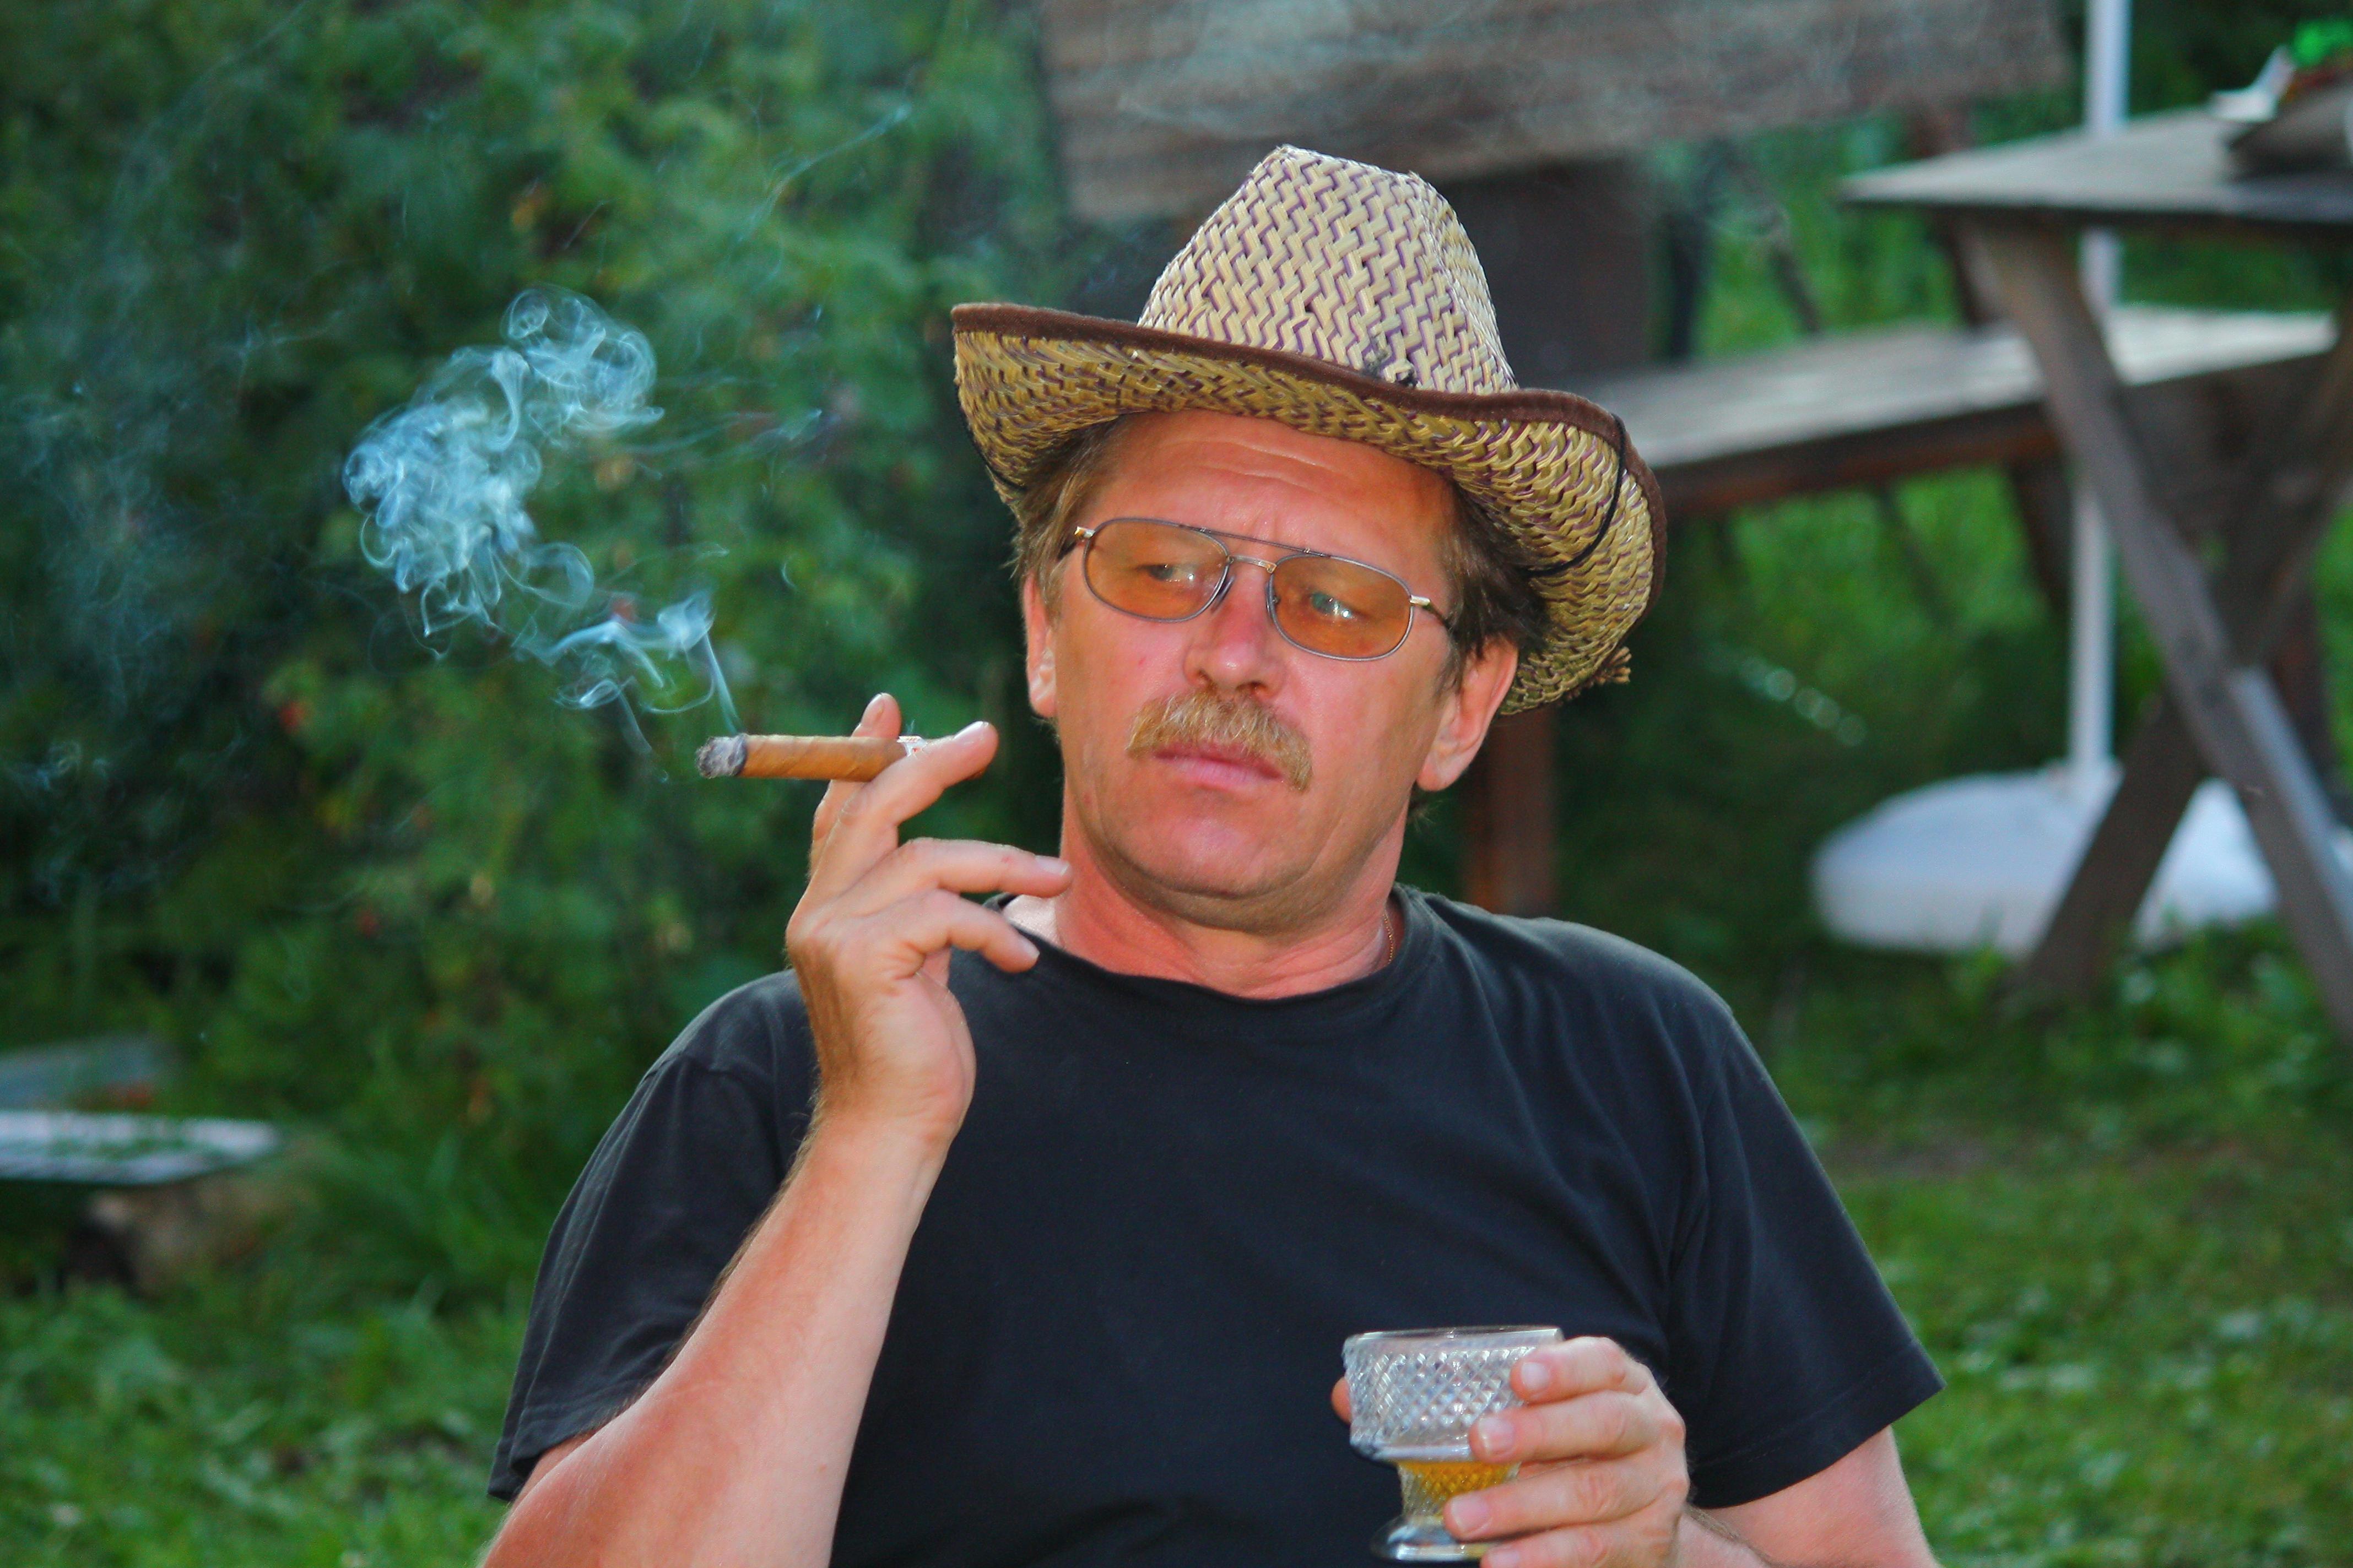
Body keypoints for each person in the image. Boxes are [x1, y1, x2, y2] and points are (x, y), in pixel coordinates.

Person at [482, 147, 1943, 1568]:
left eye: (1338, 603)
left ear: (1463, 704)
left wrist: (1664, 1553)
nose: (1232, 653)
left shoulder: (1633, 1060)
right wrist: (871, 1138)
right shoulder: (785, 1080)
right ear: (1046, 632)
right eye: (1163, 569)